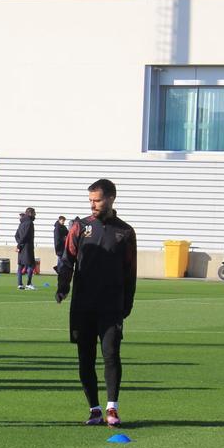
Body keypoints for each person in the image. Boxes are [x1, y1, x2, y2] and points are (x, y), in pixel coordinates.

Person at [55, 179, 136, 428]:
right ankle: (94, 410)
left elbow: (130, 270)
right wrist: (63, 286)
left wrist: (127, 303)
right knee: (85, 358)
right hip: (83, 304)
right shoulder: (80, 228)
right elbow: (67, 259)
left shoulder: (125, 232)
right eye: (90, 200)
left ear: (111, 198)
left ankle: (113, 408)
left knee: (111, 354)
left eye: (97, 200)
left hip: (111, 305)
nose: (93, 205)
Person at [15, 207, 36, 290]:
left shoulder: (21, 223)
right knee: (31, 264)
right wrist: (19, 245)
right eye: (34, 213)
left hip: (22, 246)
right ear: (30, 213)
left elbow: (16, 235)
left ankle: (20, 284)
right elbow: (26, 235)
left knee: (20, 265)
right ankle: (28, 283)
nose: (35, 214)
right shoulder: (29, 223)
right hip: (27, 246)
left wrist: (19, 244)